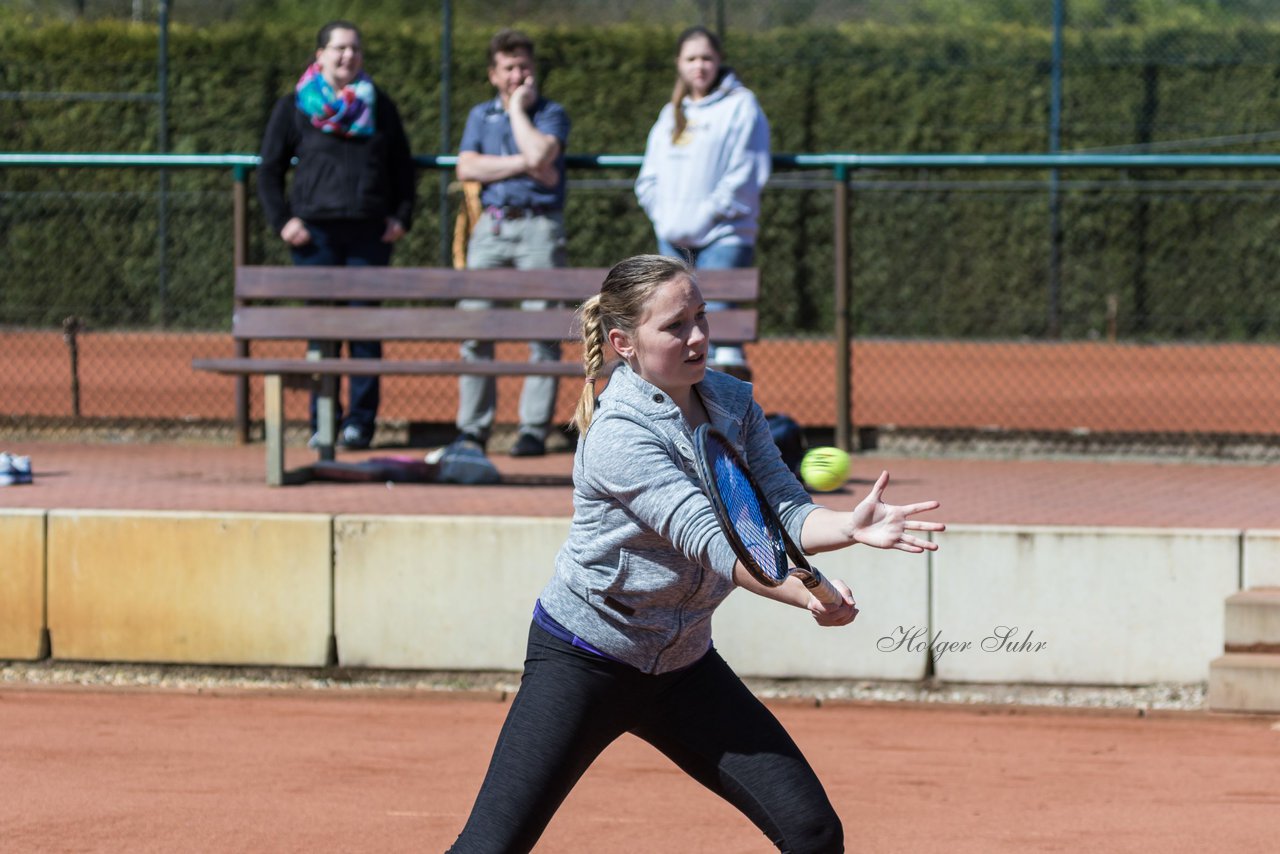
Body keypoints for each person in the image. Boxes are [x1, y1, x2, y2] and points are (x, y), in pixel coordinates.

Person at [447, 255, 946, 853]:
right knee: (489, 849)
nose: (699, 337)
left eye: (702, 317)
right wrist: (808, 594)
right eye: (676, 325)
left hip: (683, 667)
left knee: (812, 832)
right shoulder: (619, 435)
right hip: (586, 659)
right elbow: (714, 540)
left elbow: (781, 509)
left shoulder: (731, 402)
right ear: (622, 343)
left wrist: (850, 524)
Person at [257, 20, 416, 451]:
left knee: (365, 331)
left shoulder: (379, 104)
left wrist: (401, 215)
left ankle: (360, 426)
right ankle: (323, 422)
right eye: (339, 48)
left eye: (355, 49)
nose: (348, 56)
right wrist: (283, 221)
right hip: (315, 238)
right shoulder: (294, 106)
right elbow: (269, 169)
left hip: (369, 235)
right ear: (320, 55)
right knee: (321, 332)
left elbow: (403, 167)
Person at [451, 28, 570, 458]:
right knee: (476, 329)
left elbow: (543, 156)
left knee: (542, 333)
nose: (518, 73)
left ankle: (532, 430)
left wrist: (519, 111)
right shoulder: (479, 116)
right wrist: (526, 163)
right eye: (508, 67)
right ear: (493, 74)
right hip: (491, 229)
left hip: (540, 230)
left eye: (524, 65)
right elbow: (467, 166)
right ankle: (472, 430)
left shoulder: (551, 112)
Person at [636, 26, 769, 383]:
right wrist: (665, 218)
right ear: (679, 64)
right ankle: (686, 421)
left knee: (718, 329)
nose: (700, 66)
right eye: (691, 58)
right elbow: (648, 180)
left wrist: (704, 215)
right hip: (672, 238)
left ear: (719, 61)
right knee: (675, 328)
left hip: (724, 236)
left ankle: (728, 425)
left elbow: (745, 174)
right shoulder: (670, 114)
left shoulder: (742, 106)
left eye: (707, 58)